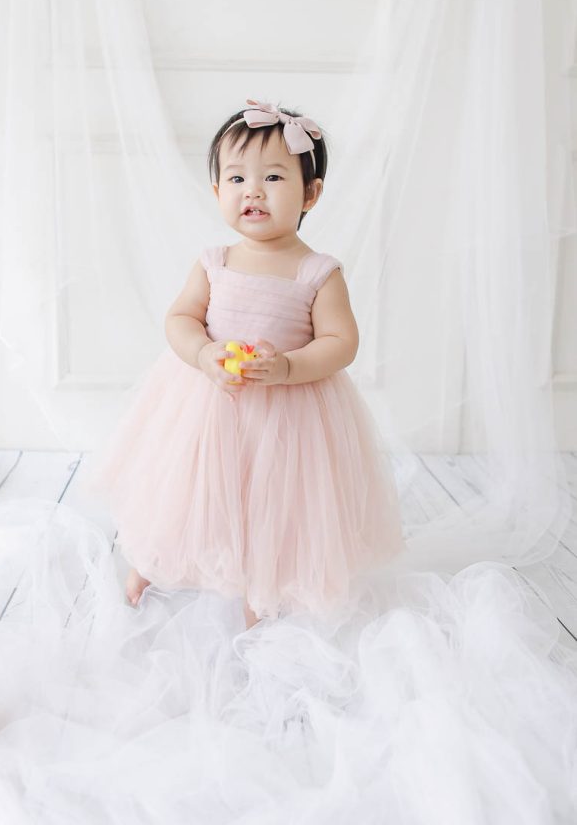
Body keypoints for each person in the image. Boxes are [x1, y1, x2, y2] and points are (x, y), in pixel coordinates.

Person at [88, 99, 406, 629]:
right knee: (183, 489)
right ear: (217, 193)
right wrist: (202, 351)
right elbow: (180, 319)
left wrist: (287, 367)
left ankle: (262, 589)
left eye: (273, 177)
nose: (251, 190)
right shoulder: (214, 262)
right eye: (235, 177)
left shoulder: (317, 272)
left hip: (288, 415)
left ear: (311, 193)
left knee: (274, 504)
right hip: (203, 404)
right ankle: (153, 562)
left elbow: (341, 341)